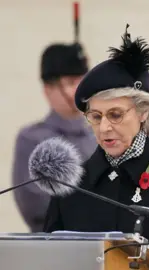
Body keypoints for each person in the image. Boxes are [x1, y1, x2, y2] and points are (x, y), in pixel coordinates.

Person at [43, 25, 149, 270]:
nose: (105, 127)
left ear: (143, 113)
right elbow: (47, 260)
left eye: (116, 115)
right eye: (96, 117)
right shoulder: (69, 186)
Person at [12, 42, 95, 232]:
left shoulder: (100, 136)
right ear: (49, 89)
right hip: (54, 245)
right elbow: (36, 205)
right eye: (72, 82)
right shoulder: (33, 139)